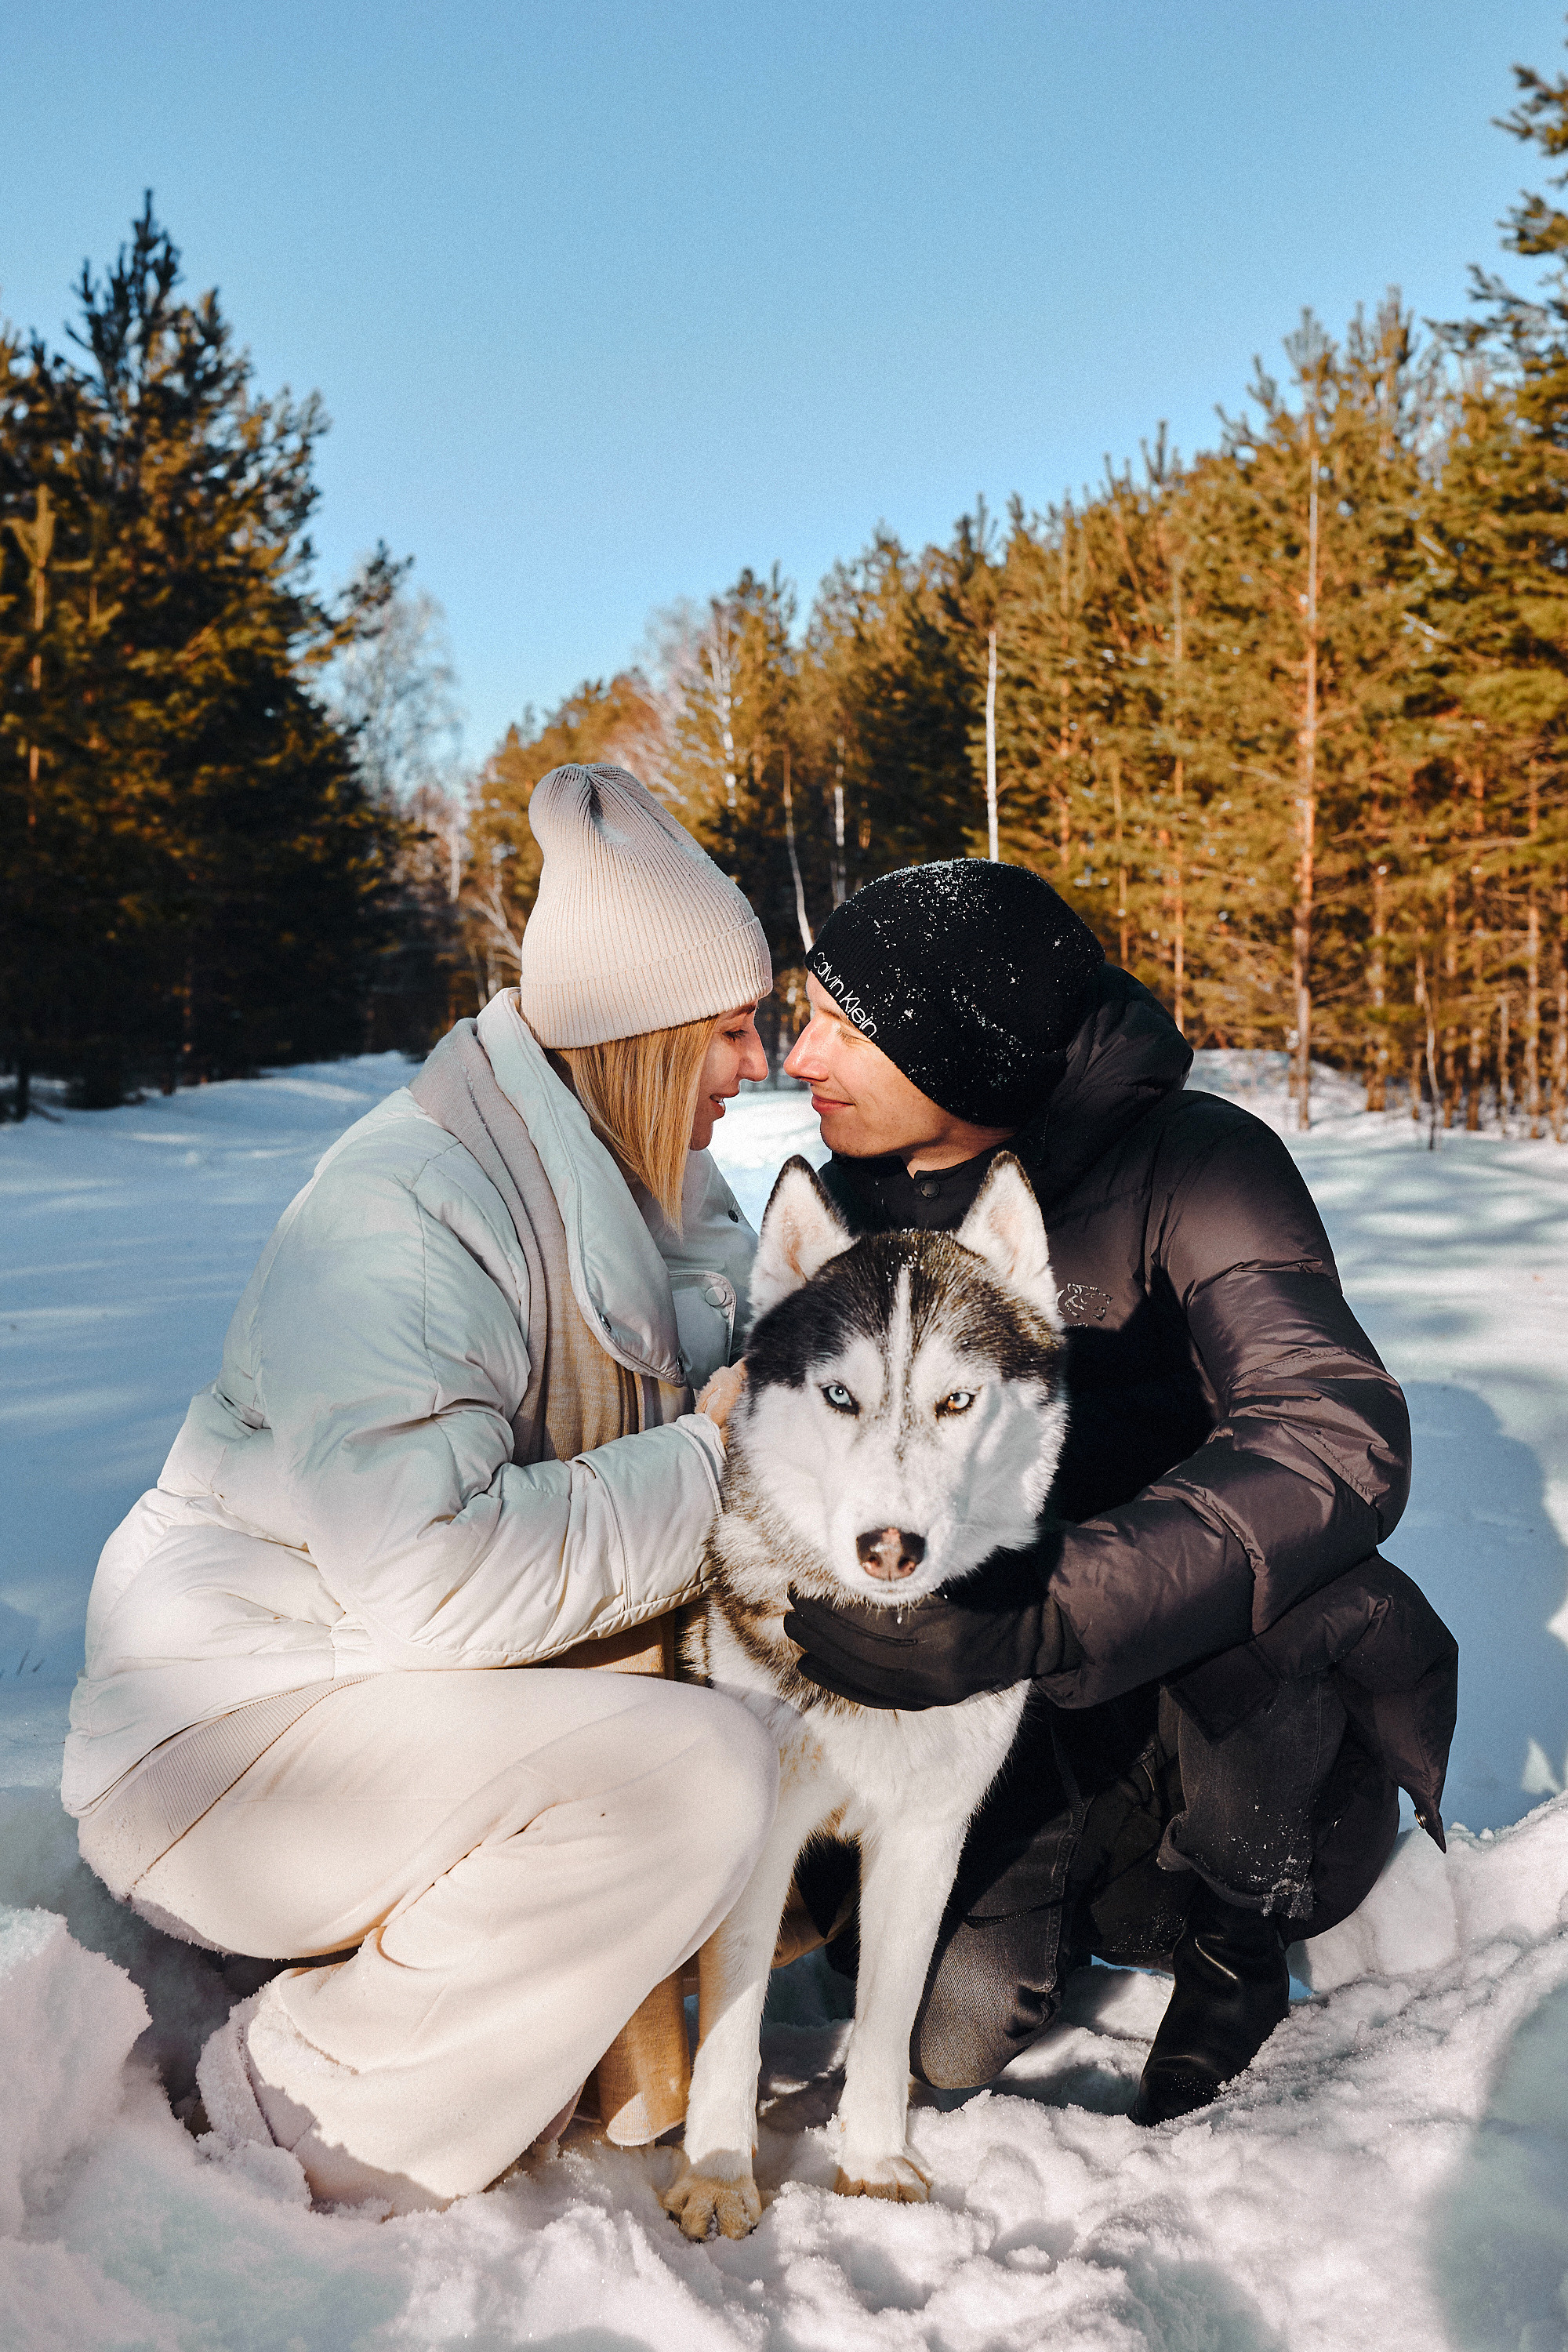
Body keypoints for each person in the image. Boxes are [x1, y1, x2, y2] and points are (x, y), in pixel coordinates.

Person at [62, 764, 781, 2211]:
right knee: (699, 1775)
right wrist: (712, 1463)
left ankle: (497, 2035)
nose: (756, 1064)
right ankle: (299, 2106)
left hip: (359, 1712)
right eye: (728, 1030)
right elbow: (430, 1580)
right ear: (640, 1040)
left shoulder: (661, 1196)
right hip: (222, 1749)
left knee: (755, 1725)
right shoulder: (410, 1209)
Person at [780, 858, 1458, 2125]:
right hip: (1000, 1694)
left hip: (1205, 1676)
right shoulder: (841, 1198)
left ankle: (1236, 1934)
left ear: (963, 1051)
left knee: (1296, 1582)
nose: (796, 1057)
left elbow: (1332, 1433)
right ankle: (1058, 1864)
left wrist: (1055, 1606)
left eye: (839, 1027)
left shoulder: (1197, 1164)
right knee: (943, 2039)